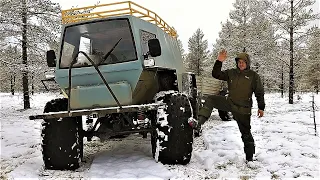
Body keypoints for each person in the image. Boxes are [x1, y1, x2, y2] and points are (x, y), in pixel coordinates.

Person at [193, 49, 265, 162]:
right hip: (230, 104)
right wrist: (219, 61)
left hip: (243, 110)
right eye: (239, 62)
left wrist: (261, 107)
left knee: (246, 133)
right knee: (211, 99)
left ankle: (250, 158)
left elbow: (259, 92)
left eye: (243, 62)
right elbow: (215, 74)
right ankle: (199, 123)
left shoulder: (253, 76)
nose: (241, 64)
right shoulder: (232, 73)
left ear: (247, 63)